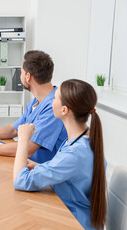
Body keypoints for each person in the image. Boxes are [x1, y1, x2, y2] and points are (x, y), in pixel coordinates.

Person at [13, 79, 106, 230]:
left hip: (73, 222)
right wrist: (39, 166)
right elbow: (71, 174)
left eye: (55, 97)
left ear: (64, 110)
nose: (51, 101)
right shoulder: (81, 140)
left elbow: (20, 181)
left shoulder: (75, 153)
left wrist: (23, 139)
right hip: (72, 214)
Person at [0, 50, 67, 164]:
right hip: (27, 164)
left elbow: (28, 149)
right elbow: (13, 130)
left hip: (41, 172)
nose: (19, 76)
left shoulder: (54, 107)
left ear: (28, 77)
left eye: (20, 72)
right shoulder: (36, 102)